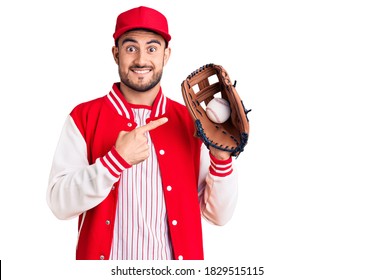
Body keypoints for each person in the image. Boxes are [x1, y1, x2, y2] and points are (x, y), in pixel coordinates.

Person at [47, 6, 238, 260]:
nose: (140, 60)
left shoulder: (192, 123)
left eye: (151, 48)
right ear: (116, 54)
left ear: (166, 55)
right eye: (130, 48)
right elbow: (59, 204)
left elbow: (219, 215)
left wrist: (220, 159)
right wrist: (114, 162)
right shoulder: (83, 117)